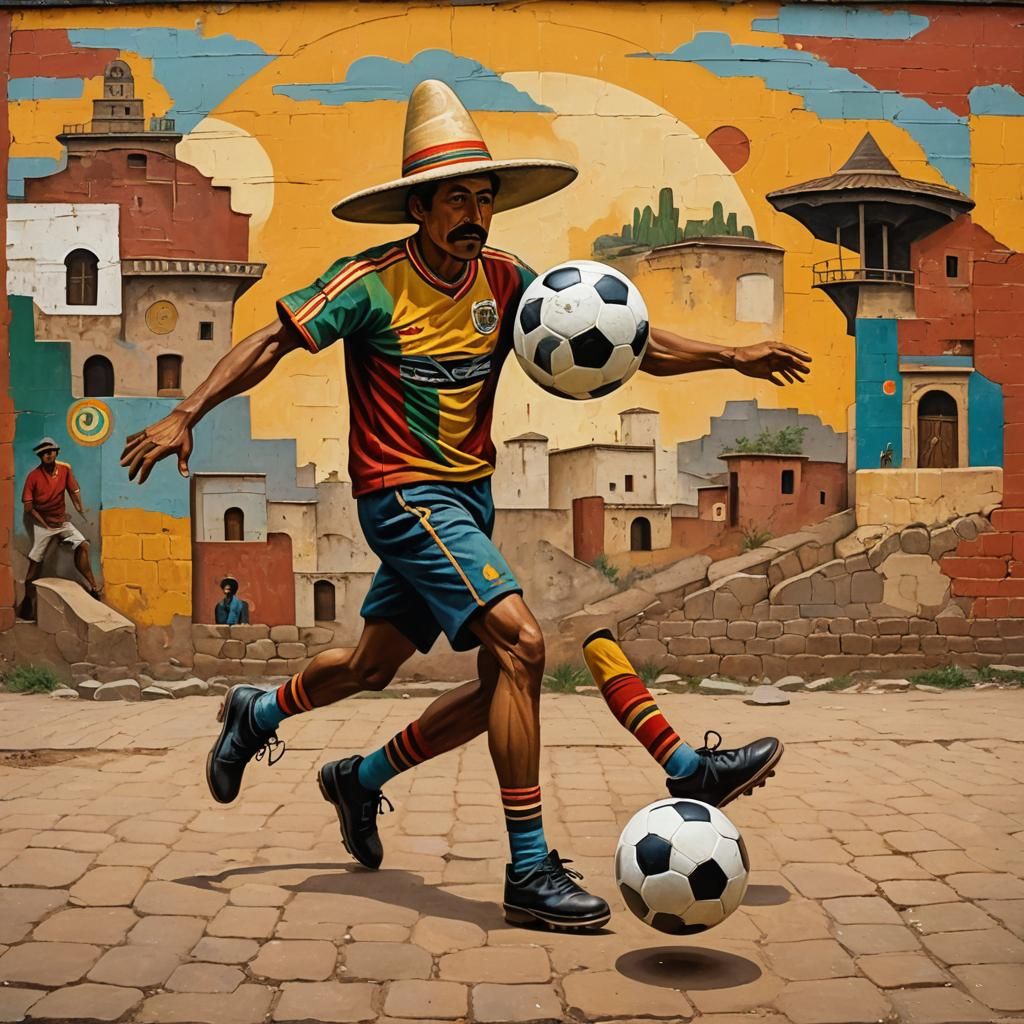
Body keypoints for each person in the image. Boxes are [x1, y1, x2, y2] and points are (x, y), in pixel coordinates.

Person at [121, 80, 810, 931]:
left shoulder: (508, 279)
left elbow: (630, 341)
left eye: (484, 197)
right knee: (522, 645)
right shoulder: (370, 283)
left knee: (396, 671)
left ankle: (310, 747)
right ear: (419, 205)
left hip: (466, 503)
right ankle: (529, 873)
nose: (475, 212)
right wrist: (187, 411)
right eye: (457, 197)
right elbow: (272, 338)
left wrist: (732, 354)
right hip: (404, 499)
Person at [20, 437, 101, 618]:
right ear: (40, 456)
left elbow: (74, 491)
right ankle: (27, 601)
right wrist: (44, 523)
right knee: (35, 561)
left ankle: (94, 588)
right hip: (43, 524)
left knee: (82, 545)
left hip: (62, 521)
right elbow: (28, 507)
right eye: (43, 453)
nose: (48, 455)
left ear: (56, 452)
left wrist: (81, 510)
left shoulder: (64, 470)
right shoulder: (33, 476)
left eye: (50, 451)